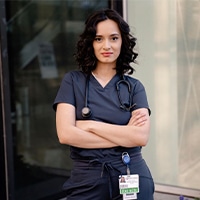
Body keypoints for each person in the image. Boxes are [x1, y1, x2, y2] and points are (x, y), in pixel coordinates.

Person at [53, 8, 154, 200]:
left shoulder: (134, 88)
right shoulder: (73, 82)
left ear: (122, 41)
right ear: (90, 42)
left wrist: (90, 125)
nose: (106, 45)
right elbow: (66, 134)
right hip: (87, 182)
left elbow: (140, 137)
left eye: (114, 38)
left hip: (131, 175)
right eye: (99, 38)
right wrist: (124, 135)